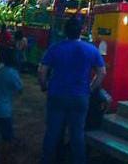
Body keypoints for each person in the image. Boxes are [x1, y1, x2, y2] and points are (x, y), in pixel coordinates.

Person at [39, 16, 107, 164]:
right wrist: (91, 88)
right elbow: (102, 72)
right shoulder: (91, 49)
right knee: (77, 135)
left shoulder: (55, 48)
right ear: (81, 31)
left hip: (57, 95)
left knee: (52, 133)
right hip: (80, 96)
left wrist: (44, 86)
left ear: (65, 31)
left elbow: (42, 71)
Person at [0, 46, 24, 164]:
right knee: (6, 139)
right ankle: (4, 161)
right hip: (4, 112)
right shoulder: (12, 73)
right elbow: (20, 90)